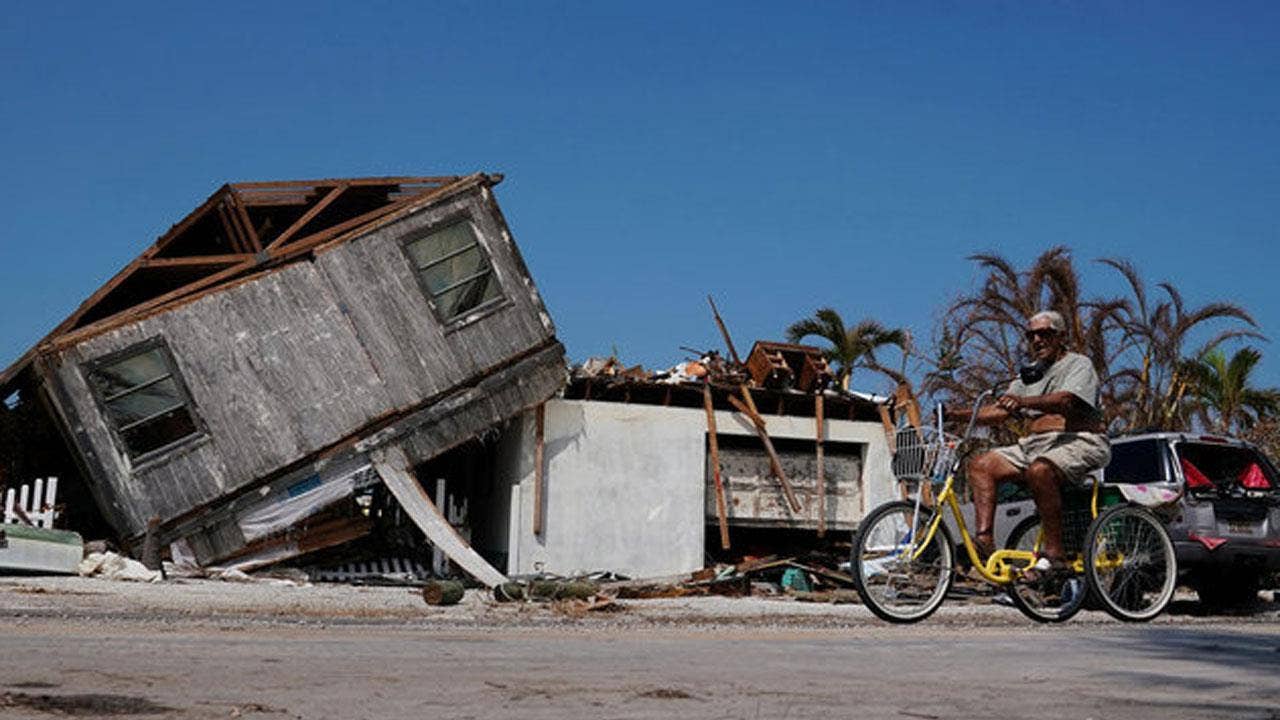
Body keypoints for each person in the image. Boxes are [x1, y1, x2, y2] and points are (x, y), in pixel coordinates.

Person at [948, 310, 1110, 576]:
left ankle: (1055, 555)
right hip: (1036, 445)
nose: (1037, 340)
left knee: (1040, 470)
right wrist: (959, 415)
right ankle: (985, 541)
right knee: (981, 465)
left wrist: (1024, 402)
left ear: (1060, 337)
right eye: (1031, 335)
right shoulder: (1029, 376)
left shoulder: (1078, 364)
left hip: (1080, 441)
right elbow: (1001, 411)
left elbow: (1066, 401)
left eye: (1044, 334)